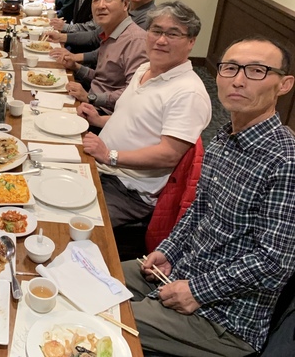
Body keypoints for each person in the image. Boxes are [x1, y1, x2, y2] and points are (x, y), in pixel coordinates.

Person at [124, 36, 295, 356]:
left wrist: (198, 290)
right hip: (180, 271)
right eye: (230, 68)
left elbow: (275, 262)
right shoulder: (223, 138)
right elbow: (199, 208)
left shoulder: (285, 161)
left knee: (99, 318)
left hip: (224, 319)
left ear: (284, 84)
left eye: (257, 70)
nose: (238, 80)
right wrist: (169, 250)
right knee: (89, 279)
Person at [77, 1, 211, 226]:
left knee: (65, 222)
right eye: (156, 31)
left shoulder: (189, 92)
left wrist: (109, 155)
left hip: (128, 190)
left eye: (173, 34)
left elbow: (169, 154)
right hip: (103, 166)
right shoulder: (145, 69)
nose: (161, 40)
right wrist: (98, 120)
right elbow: (134, 121)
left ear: (191, 41)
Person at [50, 0, 148, 113]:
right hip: (91, 103)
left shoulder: (136, 40)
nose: (101, 5)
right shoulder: (110, 31)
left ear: (125, 4)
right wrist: (75, 66)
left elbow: (133, 92)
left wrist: (90, 97)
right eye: (96, 0)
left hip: (105, 114)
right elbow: (103, 79)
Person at [52, 0, 166, 67]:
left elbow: (114, 50)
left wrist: (76, 57)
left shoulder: (149, 20)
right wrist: (61, 37)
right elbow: (96, 36)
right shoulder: (123, 7)